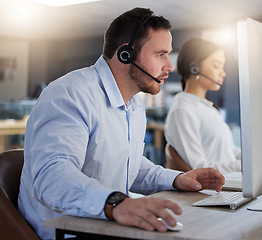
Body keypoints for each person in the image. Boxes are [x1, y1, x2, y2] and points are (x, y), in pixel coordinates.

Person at [18, 8, 225, 240]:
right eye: (160, 55)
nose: (170, 66)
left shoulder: (134, 105)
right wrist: (116, 203)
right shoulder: (70, 94)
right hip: (63, 233)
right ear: (125, 54)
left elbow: (128, 165)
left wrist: (176, 179)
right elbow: (52, 177)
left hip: (104, 227)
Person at [164, 38, 241, 174]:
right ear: (195, 68)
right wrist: (241, 166)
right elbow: (198, 167)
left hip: (231, 184)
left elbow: (226, 150)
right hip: (214, 189)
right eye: (216, 66)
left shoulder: (208, 108)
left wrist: (248, 159)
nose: (223, 73)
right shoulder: (183, 110)